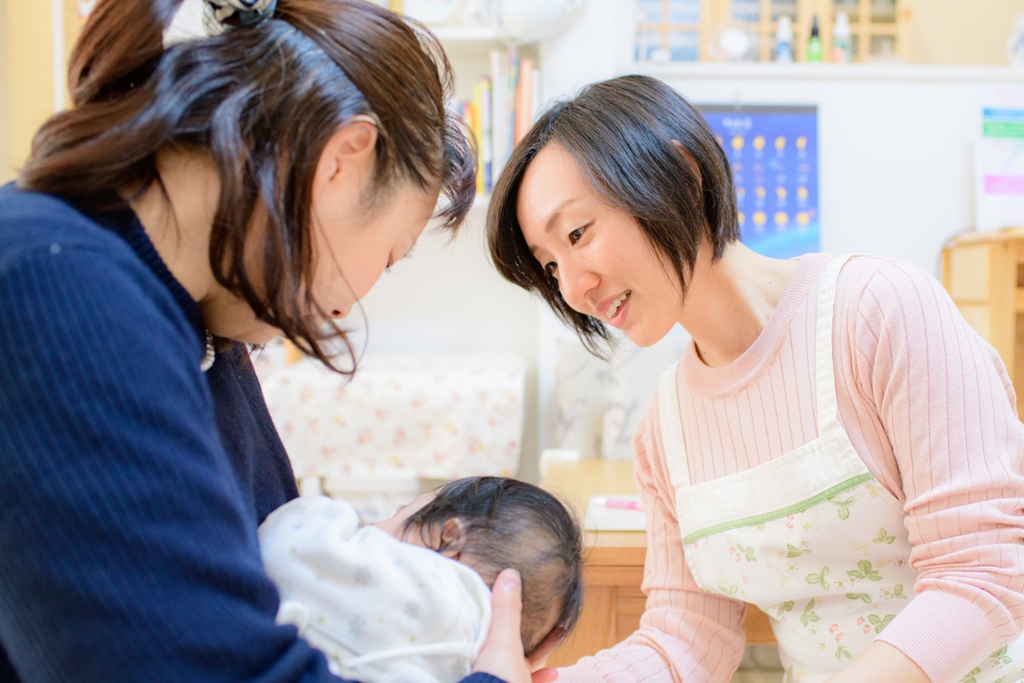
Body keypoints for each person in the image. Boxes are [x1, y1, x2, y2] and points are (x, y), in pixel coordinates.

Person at [0, 0, 553, 681]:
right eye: (388, 256)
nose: (355, 301)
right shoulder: (56, 292)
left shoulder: (204, 327)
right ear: (341, 163)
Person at [486, 74, 1024, 683]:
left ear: (681, 176)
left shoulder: (881, 311)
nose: (574, 287)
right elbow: (686, 638)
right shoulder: (664, 428)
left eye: (578, 234)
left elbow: (983, 576)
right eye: (551, 264)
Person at [258, 476, 584, 683]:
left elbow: (284, 542)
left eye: (401, 512)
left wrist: (327, 511)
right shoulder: (473, 658)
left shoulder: (411, 576)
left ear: (449, 537)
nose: (380, 523)